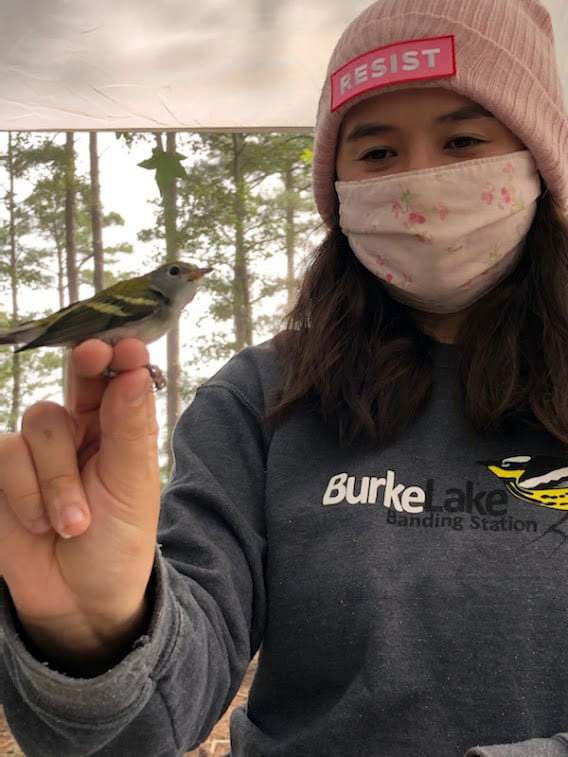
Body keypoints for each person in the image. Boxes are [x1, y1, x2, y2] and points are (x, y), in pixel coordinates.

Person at [1, 0, 568, 754]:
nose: (419, 184)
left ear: (541, 164)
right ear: (337, 191)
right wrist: (97, 636)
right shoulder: (259, 397)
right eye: (376, 154)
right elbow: (145, 719)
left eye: (463, 139)